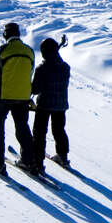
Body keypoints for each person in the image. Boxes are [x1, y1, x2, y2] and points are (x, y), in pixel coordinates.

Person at [0, 22, 34, 172]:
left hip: (4, 95)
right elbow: (30, 73)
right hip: (23, 96)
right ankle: (28, 160)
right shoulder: (29, 51)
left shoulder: (2, 50)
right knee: (22, 126)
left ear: (5, 35)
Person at [30, 37, 71, 172]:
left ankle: (37, 162)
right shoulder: (65, 67)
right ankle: (63, 156)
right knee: (59, 131)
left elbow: (35, 89)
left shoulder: (42, 68)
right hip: (60, 105)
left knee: (39, 133)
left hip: (44, 105)